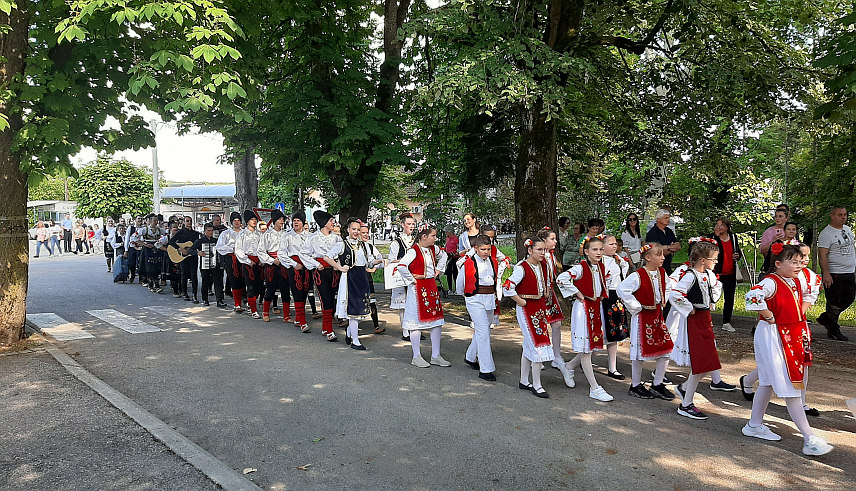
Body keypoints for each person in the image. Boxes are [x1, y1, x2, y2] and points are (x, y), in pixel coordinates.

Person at [741, 243, 833, 456]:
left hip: (785, 335)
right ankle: (809, 437)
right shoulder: (772, 282)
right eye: (793, 262)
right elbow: (752, 296)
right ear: (779, 263)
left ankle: (754, 425)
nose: (799, 265)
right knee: (790, 383)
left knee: (767, 382)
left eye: (800, 261)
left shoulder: (792, 280)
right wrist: (768, 314)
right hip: (774, 335)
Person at [668, 239, 723, 420]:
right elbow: (675, 294)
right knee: (700, 364)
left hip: (704, 320)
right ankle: (686, 404)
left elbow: (710, 295)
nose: (715, 262)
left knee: (709, 363)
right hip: (695, 321)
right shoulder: (690, 275)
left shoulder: (706, 275)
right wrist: (688, 307)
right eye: (713, 259)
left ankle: (684, 389)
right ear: (702, 260)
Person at [556, 236, 614, 402]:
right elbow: (562, 278)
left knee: (594, 347)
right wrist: (578, 293)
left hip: (595, 309)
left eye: (600, 249)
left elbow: (605, 282)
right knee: (587, 349)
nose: (598, 253)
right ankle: (594, 388)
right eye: (594, 250)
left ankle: (569, 367)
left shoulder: (601, 266)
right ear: (586, 251)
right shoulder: (580, 268)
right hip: (583, 309)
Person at [617, 244, 675, 400]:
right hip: (642, 317)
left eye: (663, 255)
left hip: (657, 316)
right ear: (648, 258)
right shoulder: (638, 275)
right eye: (659, 255)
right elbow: (622, 289)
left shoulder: (662, 273)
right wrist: (636, 306)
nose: (663, 257)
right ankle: (635, 385)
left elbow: (668, 287)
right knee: (639, 352)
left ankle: (657, 383)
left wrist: (663, 300)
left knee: (666, 348)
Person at [503, 235, 553, 398]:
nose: (542, 253)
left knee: (530, 344)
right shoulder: (521, 267)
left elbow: (545, 283)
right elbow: (508, 287)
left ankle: (524, 380)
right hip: (526, 309)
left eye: (544, 250)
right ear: (530, 250)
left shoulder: (542, 265)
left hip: (539, 308)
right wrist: (521, 301)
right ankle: (537, 384)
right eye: (539, 250)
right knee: (537, 344)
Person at [395, 226, 450, 367]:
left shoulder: (433, 249)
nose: (435, 238)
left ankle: (436, 355)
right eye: (433, 235)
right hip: (418, 288)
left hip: (430, 286)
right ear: (424, 236)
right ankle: (416, 356)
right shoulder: (413, 251)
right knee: (416, 323)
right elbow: (401, 266)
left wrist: (439, 269)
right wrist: (411, 279)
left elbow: (444, 255)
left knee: (436, 321)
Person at [457, 234, 508, 381]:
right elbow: (460, 285)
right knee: (484, 332)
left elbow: (496, 279)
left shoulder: (493, 262)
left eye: (488, 249)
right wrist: (468, 296)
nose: (486, 252)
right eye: (483, 249)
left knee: (482, 330)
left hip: (489, 299)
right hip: (474, 299)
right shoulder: (467, 264)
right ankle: (486, 369)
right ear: (476, 249)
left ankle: (470, 357)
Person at [336, 218, 383, 350]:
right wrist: (340, 267)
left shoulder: (363, 245)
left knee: (362, 307)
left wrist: (378, 261)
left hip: (362, 276)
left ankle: (350, 332)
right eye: (354, 229)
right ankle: (355, 341)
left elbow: (368, 262)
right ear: (348, 229)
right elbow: (328, 256)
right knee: (353, 309)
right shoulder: (343, 244)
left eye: (358, 229)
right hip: (350, 277)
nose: (356, 232)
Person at [299, 210, 346, 341]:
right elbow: (303, 254)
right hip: (320, 271)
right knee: (325, 298)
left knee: (332, 298)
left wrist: (338, 263)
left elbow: (341, 252)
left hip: (334, 271)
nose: (333, 223)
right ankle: (329, 330)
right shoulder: (313, 238)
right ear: (325, 223)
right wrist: (315, 264)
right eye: (331, 221)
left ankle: (326, 327)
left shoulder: (336, 238)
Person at [538, 228, 574, 388]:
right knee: (539, 325)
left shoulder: (551, 255)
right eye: (552, 239)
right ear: (544, 240)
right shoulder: (537, 255)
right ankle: (539, 356)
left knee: (556, 323)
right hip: (540, 294)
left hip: (549, 292)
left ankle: (556, 355)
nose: (555, 241)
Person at [817, 206, 854, 341]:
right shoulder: (826, 234)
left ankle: (826, 318)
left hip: (849, 272)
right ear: (832, 216)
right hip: (835, 273)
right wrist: (826, 273)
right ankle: (833, 329)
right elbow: (822, 255)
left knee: (849, 298)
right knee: (834, 302)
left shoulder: (848, 230)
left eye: (845, 214)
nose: (843, 217)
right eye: (840, 215)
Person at [600, 234, 631, 380]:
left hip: (616, 297)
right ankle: (577, 362)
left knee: (615, 334)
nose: (614, 246)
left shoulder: (617, 260)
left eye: (615, 244)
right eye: (610, 244)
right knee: (602, 333)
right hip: (605, 297)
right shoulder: (600, 262)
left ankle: (613, 367)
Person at [281, 211, 313, 332]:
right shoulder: (287, 236)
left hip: (306, 267)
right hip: (294, 267)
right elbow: (282, 253)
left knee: (305, 292)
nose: (296, 222)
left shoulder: (309, 236)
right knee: (297, 292)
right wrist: (294, 264)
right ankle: (303, 323)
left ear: (303, 222)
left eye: (298, 220)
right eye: (294, 220)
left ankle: (299, 318)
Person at [388, 213, 418, 340]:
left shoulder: (416, 241)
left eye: (413, 224)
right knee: (403, 304)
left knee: (415, 303)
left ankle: (415, 329)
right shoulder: (396, 243)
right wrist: (402, 261)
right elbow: (391, 260)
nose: (411, 226)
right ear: (402, 224)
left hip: (415, 275)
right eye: (409, 224)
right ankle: (406, 331)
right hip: (401, 277)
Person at [710, 217, 742, 333]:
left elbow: (737, 251)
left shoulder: (733, 237)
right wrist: (714, 235)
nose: (719, 227)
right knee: (711, 296)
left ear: (727, 227)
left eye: (722, 225)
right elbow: (707, 248)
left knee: (729, 298)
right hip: (716, 272)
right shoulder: (712, 237)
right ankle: (707, 319)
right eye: (717, 224)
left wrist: (737, 255)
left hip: (730, 272)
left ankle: (726, 322)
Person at [258, 210, 290, 322]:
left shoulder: (286, 234)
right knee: (270, 288)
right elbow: (261, 251)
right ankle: (265, 312)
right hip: (272, 264)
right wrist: (271, 260)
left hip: (284, 263)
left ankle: (286, 315)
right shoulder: (267, 234)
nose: (282, 221)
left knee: (285, 288)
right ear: (274, 221)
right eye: (280, 219)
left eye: (283, 219)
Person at [235, 210, 264, 319]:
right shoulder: (242, 234)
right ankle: (253, 310)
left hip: (259, 262)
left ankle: (251, 303)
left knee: (259, 286)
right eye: (252, 219)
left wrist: (262, 259)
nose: (254, 221)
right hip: (248, 262)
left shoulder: (259, 234)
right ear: (247, 221)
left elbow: (262, 248)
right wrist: (247, 261)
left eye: (255, 219)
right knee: (250, 286)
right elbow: (238, 250)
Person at [216, 211, 246, 313]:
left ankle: (245, 300)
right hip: (231, 259)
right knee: (234, 280)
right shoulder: (226, 233)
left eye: (238, 220)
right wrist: (232, 249)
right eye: (235, 221)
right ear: (231, 222)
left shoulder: (245, 233)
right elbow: (219, 247)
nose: (237, 222)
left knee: (244, 280)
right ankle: (237, 304)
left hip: (244, 258)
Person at [360, 223, 387, 334]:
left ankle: (376, 326)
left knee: (372, 301)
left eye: (367, 232)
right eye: (363, 233)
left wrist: (374, 267)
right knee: (356, 301)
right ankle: (350, 327)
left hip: (367, 277)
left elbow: (379, 259)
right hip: (356, 277)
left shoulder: (370, 247)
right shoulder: (354, 246)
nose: (366, 235)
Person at [169, 215, 202, 303]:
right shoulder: (180, 232)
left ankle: (194, 295)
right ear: (184, 222)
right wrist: (180, 248)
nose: (189, 223)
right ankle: (184, 293)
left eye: (190, 221)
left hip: (193, 256)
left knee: (194, 276)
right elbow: (171, 241)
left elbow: (197, 245)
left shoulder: (196, 234)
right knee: (184, 275)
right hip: (183, 257)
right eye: (187, 221)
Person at [193, 223, 226, 307]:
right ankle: (205, 299)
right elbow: (190, 250)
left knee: (217, 282)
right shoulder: (199, 241)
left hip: (215, 265)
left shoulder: (216, 241)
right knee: (205, 282)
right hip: (205, 265)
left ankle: (219, 300)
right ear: (204, 231)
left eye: (212, 231)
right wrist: (198, 252)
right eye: (208, 231)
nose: (210, 232)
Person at [645, 209, 681, 274]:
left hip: (667, 266)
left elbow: (678, 246)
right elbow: (656, 252)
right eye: (666, 218)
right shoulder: (652, 233)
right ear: (658, 219)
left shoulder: (669, 231)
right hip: (656, 268)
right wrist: (671, 248)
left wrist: (666, 248)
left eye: (669, 218)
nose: (668, 220)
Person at [759, 206, 790, 277]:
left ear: (786, 218)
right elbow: (762, 251)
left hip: (787, 266)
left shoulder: (791, 230)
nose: (778, 218)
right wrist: (773, 241)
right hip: (771, 266)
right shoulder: (769, 231)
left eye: (780, 216)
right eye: (776, 216)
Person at [125, 216, 144, 284]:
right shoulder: (130, 228)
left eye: (141, 219)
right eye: (138, 219)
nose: (140, 220)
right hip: (132, 247)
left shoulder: (144, 228)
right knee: (131, 263)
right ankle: (132, 275)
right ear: (135, 220)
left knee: (141, 262)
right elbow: (127, 239)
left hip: (141, 246)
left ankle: (141, 278)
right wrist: (126, 249)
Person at [443, 226, 459, 292]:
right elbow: (446, 246)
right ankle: (450, 289)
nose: (446, 233)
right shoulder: (447, 238)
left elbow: (458, 247)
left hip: (455, 257)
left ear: (451, 232)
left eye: (447, 232)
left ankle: (457, 289)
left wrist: (456, 253)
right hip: (448, 256)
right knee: (448, 273)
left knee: (455, 273)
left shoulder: (456, 238)